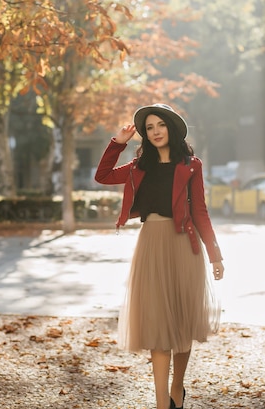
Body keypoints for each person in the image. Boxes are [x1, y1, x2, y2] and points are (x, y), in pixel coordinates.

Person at [94, 103, 224, 409]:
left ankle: (176, 388)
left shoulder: (192, 165)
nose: (155, 132)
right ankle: (160, 404)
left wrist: (215, 255)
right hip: (151, 244)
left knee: (181, 324)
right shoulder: (140, 166)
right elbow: (103, 176)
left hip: (184, 247)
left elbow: (201, 211)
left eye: (160, 125)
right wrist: (118, 143)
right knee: (157, 325)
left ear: (172, 128)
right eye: (149, 127)